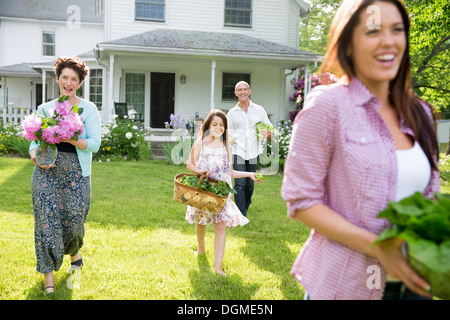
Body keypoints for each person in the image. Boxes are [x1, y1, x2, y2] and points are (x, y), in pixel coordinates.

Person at [281, 0, 439, 300]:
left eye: (397, 30)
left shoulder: (419, 112)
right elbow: (301, 199)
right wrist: (380, 246)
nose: (389, 40)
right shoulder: (327, 107)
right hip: (346, 285)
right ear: (348, 44)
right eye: (374, 31)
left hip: (416, 283)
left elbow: (428, 197)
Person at [29, 56, 101, 295]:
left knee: (74, 223)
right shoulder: (45, 109)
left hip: (77, 173)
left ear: (80, 82)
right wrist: (33, 155)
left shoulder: (88, 109)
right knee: (46, 222)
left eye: (74, 79)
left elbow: (94, 144)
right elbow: (34, 141)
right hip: (46, 171)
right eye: (65, 78)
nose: (68, 82)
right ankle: (48, 276)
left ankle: (74, 252)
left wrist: (69, 138)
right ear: (58, 79)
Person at [185, 109, 262, 276]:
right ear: (208, 126)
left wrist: (249, 174)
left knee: (220, 227)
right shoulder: (200, 143)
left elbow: (230, 173)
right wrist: (199, 172)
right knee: (201, 219)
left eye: (221, 125)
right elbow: (189, 164)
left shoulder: (227, 146)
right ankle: (201, 249)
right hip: (204, 189)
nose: (218, 127)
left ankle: (218, 267)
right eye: (215, 124)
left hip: (221, 194)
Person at [227, 81, 272, 216]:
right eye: (239, 90)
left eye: (245, 89)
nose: (242, 92)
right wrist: (229, 141)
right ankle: (241, 214)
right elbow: (227, 133)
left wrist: (268, 134)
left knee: (249, 184)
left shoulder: (259, 110)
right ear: (236, 93)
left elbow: (270, 131)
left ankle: (245, 207)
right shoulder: (232, 113)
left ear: (249, 91)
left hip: (253, 152)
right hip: (237, 151)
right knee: (239, 182)